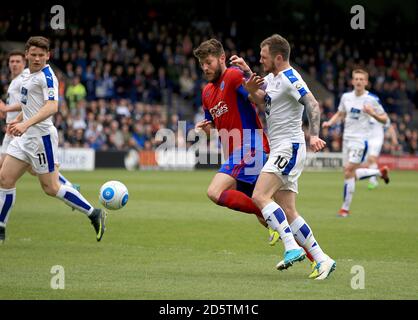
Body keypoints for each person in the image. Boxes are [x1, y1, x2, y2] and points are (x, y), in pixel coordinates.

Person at [231, 34, 336, 280]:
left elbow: (313, 104)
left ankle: (291, 247)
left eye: (264, 57)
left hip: (288, 147)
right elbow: (263, 101)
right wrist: (248, 80)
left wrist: (314, 135)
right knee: (289, 210)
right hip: (282, 147)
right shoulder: (272, 79)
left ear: (278, 57)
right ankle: (322, 259)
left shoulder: (291, 78)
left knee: (259, 195)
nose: (260, 60)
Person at [0, 36, 106, 244]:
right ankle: (1, 227)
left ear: (48, 56)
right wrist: (19, 122)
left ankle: (94, 213)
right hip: (24, 137)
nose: (37, 58)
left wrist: (25, 124)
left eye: (42, 55)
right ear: (27, 55)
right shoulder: (28, 76)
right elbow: (29, 105)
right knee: (5, 179)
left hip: (41, 138)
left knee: (50, 188)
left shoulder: (47, 76)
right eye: (34, 54)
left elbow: (51, 107)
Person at [193, 39, 280, 244]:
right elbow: (213, 123)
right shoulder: (206, 92)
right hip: (235, 152)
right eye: (202, 64)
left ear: (222, 58)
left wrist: (251, 85)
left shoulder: (232, 75)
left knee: (216, 192)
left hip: (251, 147)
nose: (205, 67)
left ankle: (275, 220)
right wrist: (207, 130)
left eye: (209, 62)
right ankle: (304, 251)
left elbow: (259, 99)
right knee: (264, 207)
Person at [322, 69, 390, 217]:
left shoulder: (372, 99)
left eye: (361, 79)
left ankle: (345, 209)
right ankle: (379, 172)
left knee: (348, 171)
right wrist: (329, 123)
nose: (358, 81)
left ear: (366, 82)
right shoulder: (346, 97)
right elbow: (340, 114)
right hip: (346, 140)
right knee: (349, 173)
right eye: (356, 79)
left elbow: (385, 119)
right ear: (352, 81)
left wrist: (372, 114)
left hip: (360, 141)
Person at [366, 117, 398, 190]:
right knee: (369, 161)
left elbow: (389, 126)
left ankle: (373, 181)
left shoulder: (380, 112)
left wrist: (394, 139)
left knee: (372, 158)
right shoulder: (365, 112)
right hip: (367, 139)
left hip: (377, 140)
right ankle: (381, 173)